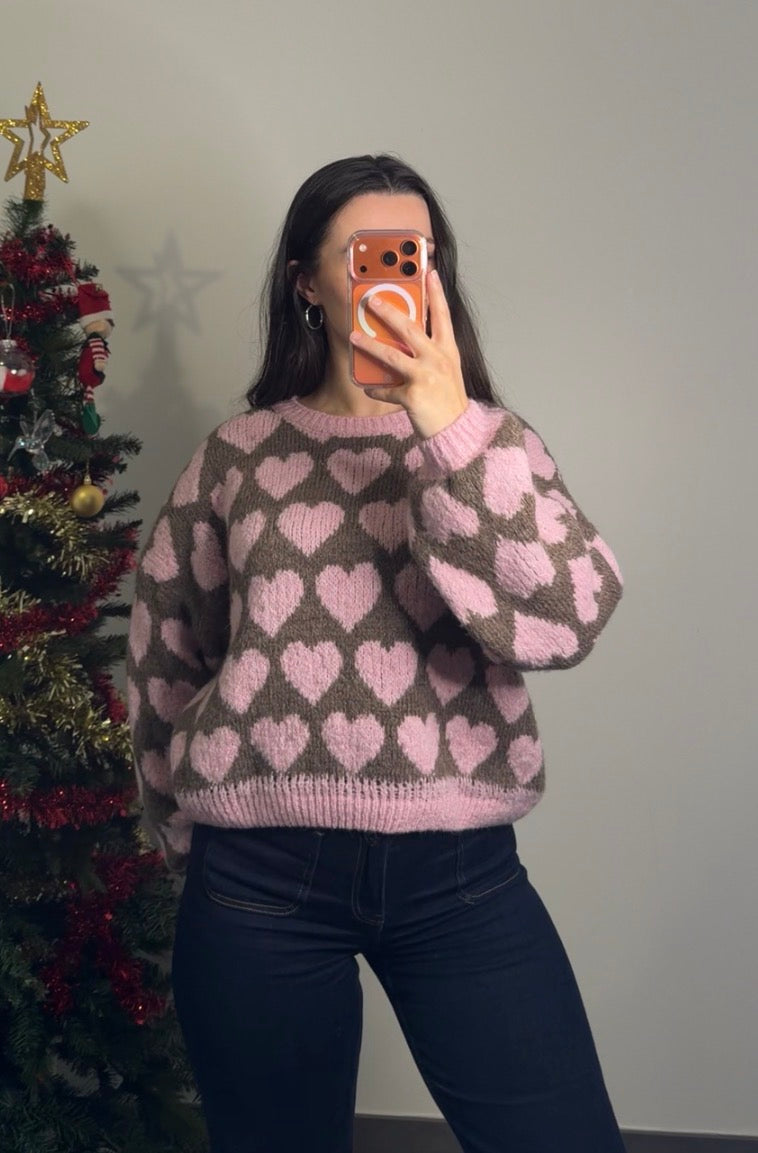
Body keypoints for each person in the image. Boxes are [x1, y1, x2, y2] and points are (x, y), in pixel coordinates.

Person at [127, 154, 626, 1153]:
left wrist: (446, 427)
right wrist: (181, 837)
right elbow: (166, 654)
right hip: (257, 877)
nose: (400, 274)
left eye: (418, 255)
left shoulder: (495, 447)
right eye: (371, 254)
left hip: (460, 879)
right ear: (306, 283)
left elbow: (566, 617)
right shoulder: (237, 455)